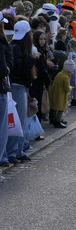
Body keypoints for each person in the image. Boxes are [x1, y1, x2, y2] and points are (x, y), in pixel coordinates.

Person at [6, 20, 37, 163]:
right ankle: (13, 152)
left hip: (20, 86)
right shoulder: (17, 48)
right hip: (17, 86)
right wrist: (32, 59)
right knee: (17, 121)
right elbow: (19, 70)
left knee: (19, 121)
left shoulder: (15, 46)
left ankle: (17, 150)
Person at [0, 21, 14, 177]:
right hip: (1, 89)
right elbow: (3, 69)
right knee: (2, 129)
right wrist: (7, 69)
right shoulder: (2, 41)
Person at [48, 60, 74, 128]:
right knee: (61, 109)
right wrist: (71, 88)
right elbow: (67, 88)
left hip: (55, 93)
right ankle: (58, 121)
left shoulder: (60, 74)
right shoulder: (66, 77)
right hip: (60, 95)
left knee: (55, 108)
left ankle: (54, 120)